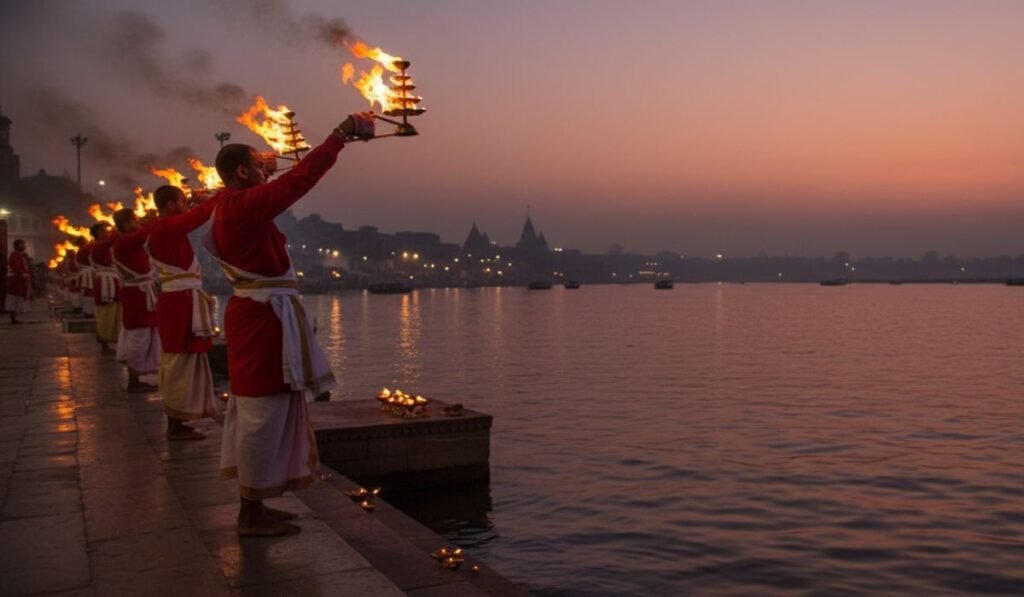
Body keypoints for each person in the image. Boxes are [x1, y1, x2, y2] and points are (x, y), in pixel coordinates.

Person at [206, 113, 373, 536]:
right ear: (241, 173)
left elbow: (282, 180)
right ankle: (250, 513)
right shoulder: (242, 205)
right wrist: (339, 135)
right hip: (261, 322)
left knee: (270, 409)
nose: (267, 170)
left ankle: (258, 501)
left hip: (263, 316)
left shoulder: (234, 202)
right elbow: (299, 183)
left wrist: (271, 165)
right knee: (263, 411)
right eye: (258, 166)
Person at [146, 185, 219, 440]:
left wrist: (200, 199)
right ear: (169, 205)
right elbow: (198, 217)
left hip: (182, 300)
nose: (186, 204)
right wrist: (221, 195)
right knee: (179, 361)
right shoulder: (165, 225)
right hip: (179, 303)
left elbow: (194, 216)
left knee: (187, 359)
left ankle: (180, 418)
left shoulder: (164, 226)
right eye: (182, 200)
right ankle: (174, 424)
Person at [112, 208, 161, 392]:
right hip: (136, 295)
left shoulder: (128, 240)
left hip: (140, 292)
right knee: (138, 336)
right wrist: (157, 218)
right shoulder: (125, 240)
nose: (138, 222)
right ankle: (134, 379)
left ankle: (138, 376)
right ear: (125, 224)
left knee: (145, 334)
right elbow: (147, 232)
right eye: (134, 219)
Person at [90, 222, 121, 354]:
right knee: (104, 313)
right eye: (104, 230)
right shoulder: (98, 245)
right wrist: (119, 226)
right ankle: (104, 344)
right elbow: (113, 238)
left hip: (111, 280)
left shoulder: (104, 246)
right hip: (105, 282)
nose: (107, 232)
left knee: (113, 312)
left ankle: (109, 341)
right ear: (97, 233)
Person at [6, 239, 32, 324]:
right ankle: (13, 319)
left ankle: (15, 318)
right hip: (15, 280)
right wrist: (22, 274)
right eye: (22, 244)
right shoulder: (14, 255)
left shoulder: (21, 255)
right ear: (16, 246)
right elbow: (15, 267)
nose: (24, 246)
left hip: (20, 280)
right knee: (13, 299)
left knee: (17, 299)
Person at [77, 235, 95, 318]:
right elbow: (92, 247)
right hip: (87, 273)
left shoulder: (81, 250)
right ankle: (89, 311)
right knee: (89, 292)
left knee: (88, 293)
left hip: (85, 272)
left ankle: (88, 310)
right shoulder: (84, 249)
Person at [66, 237, 83, 311]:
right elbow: (76, 268)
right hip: (75, 278)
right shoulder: (71, 261)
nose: (74, 253)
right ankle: (76, 306)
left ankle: (76, 306)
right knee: (75, 292)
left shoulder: (70, 260)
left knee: (75, 292)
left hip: (74, 278)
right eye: (73, 253)